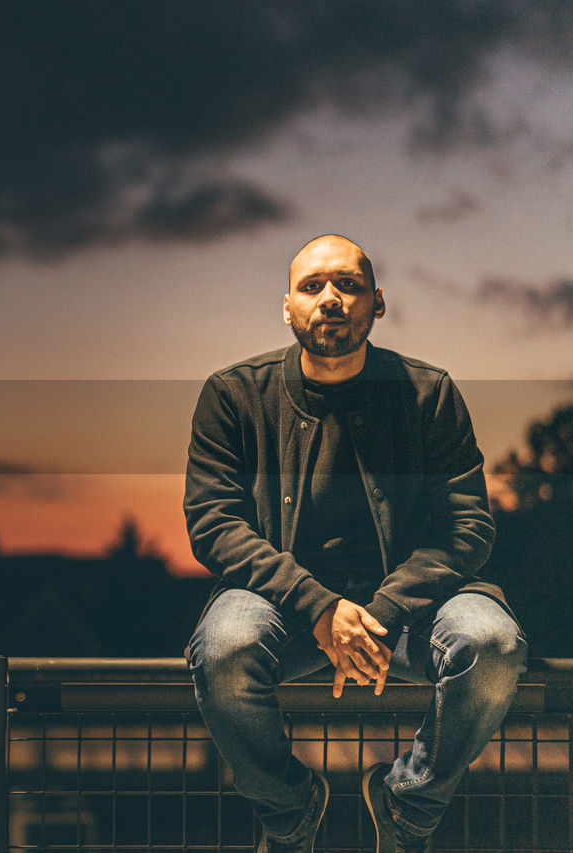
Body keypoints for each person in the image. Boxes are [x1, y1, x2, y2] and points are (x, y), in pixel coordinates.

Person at [183, 234, 525, 852]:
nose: (331, 299)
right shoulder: (233, 394)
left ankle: (406, 806)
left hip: (416, 608)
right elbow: (213, 522)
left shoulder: (429, 393)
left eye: (348, 285)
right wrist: (319, 607)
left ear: (378, 302)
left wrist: (384, 612)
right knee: (225, 647)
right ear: (287, 306)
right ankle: (290, 814)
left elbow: (469, 525)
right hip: (282, 606)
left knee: (493, 643)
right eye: (312, 287)